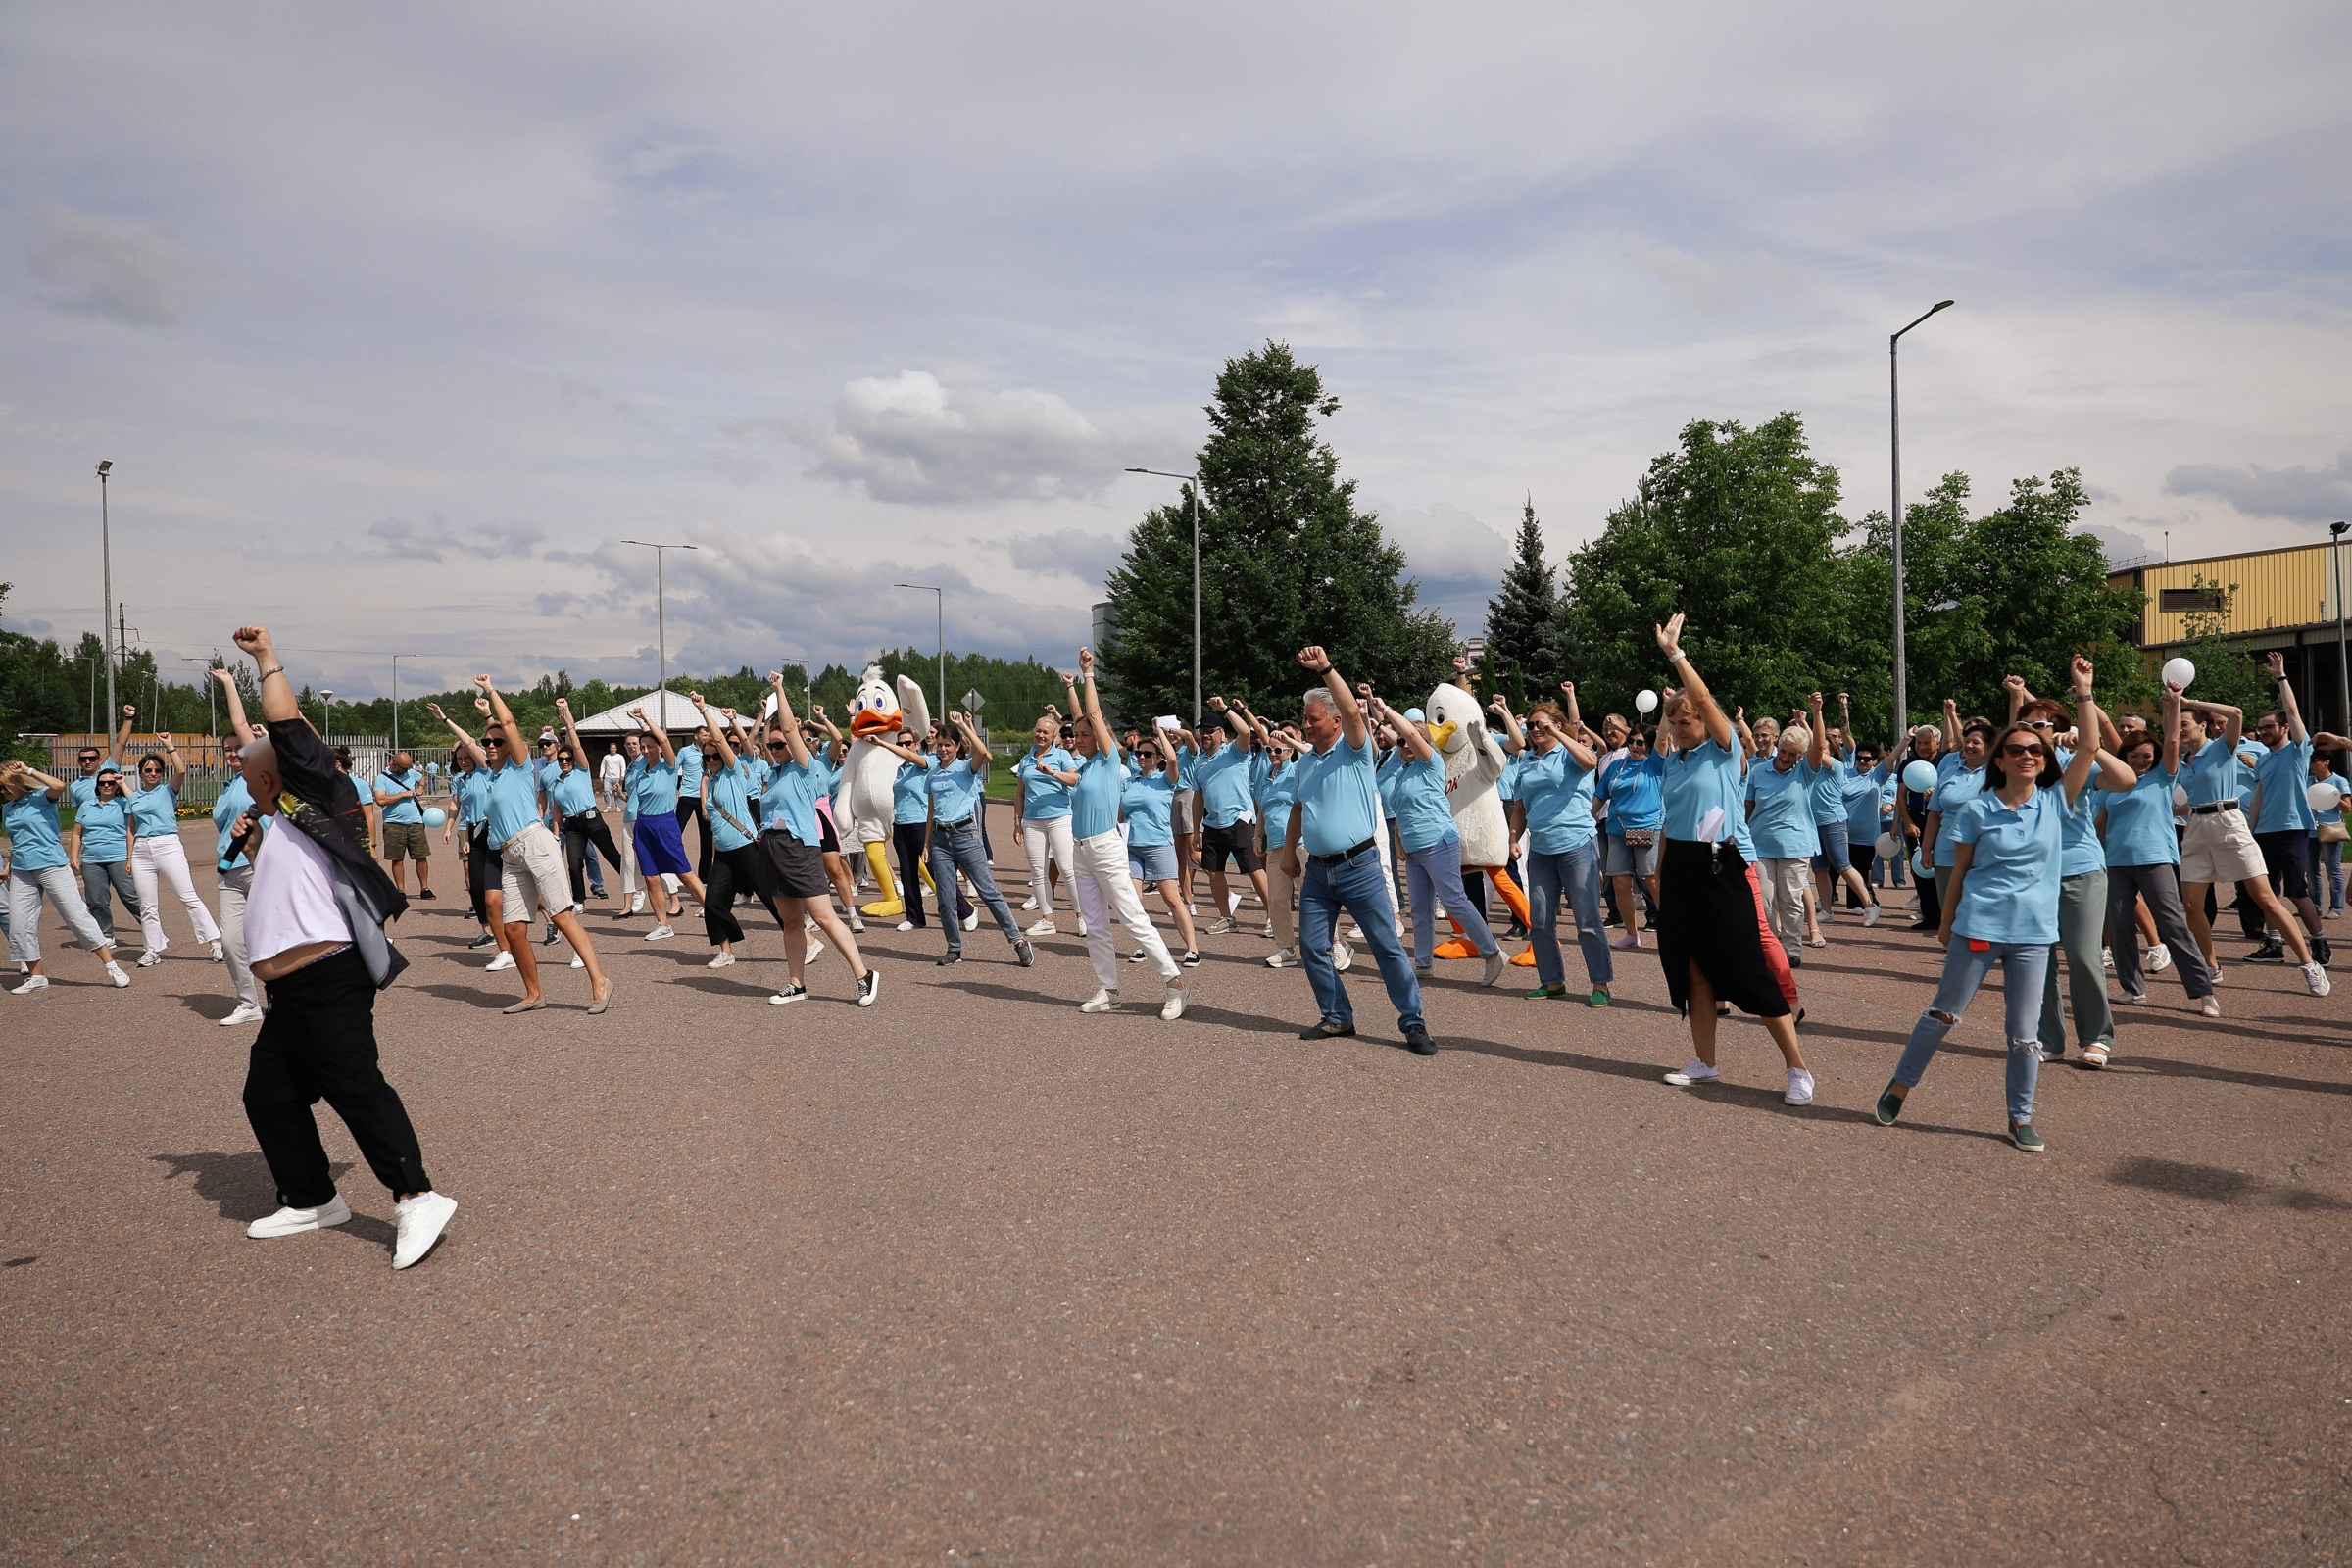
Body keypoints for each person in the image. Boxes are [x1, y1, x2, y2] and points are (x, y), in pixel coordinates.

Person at [221, 623, 456, 1269]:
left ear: (274, 778)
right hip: (290, 991)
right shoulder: (286, 826)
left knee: (354, 1084)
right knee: (267, 1094)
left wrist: (266, 658)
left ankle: (417, 1197)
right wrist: (254, 844)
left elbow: (284, 725)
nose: (244, 780)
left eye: (249, 773)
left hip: (329, 975)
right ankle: (312, 1197)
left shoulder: (321, 792)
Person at [1875, 659, 2108, 1152]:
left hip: (2033, 935)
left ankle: (2019, 1118)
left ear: (2044, 761)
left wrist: (2085, 693)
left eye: (2036, 750)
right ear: (2000, 759)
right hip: (1977, 926)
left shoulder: (2055, 802)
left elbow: (2089, 746)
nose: (2028, 754)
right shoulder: (1978, 808)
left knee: (2024, 1035)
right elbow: (1958, 871)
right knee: (1943, 1014)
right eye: (2017, 748)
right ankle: (1900, 1086)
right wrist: (1945, 922)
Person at [1647, 615, 1814, 1104]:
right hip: (1680, 864)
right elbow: (1670, 823)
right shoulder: (1675, 763)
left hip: (1722, 864)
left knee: (1746, 968)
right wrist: (1660, 875)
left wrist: (1675, 655)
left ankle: (1797, 1068)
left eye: (1687, 721)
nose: (1680, 729)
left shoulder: (1724, 753)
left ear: (1705, 720)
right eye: (1674, 722)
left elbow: (1701, 699)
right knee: (1691, 969)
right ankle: (1706, 1062)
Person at [1284, 646, 1435, 1054]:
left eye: (1312, 720)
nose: (1306, 726)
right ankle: (1337, 1016)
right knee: (1314, 946)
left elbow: (1354, 713)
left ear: (1334, 721)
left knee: (1386, 947)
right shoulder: (1306, 763)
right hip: (1318, 871)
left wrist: (1327, 669)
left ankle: (1413, 1022)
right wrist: (1286, 851)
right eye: (1306, 720)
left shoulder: (1354, 750)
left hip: (1359, 866)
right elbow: (1299, 806)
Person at [2004, 676, 2139, 1066]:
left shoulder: (2072, 759)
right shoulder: (2019, 767)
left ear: (2059, 730)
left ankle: (2097, 1037)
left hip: (2080, 869)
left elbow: (2126, 779)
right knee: (2036, 960)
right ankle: (2048, 1038)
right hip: (2031, 874)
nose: (2033, 733)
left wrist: (2087, 746)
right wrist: (2017, 701)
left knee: (2083, 955)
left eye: (2041, 725)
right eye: (2026, 726)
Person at [465, 674, 613, 1014]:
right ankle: (534, 994)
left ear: (511, 747)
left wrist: (490, 691)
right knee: (514, 928)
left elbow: (507, 723)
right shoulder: (493, 776)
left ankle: (600, 982)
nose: (490, 745)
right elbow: (489, 733)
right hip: (509, 856)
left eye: (497, 742)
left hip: (534, 843)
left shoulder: (519, 767)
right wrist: (485, 717)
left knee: (561, 916)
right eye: (487, 742)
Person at [2174, 684, 2329, 995]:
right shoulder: (2179, 762)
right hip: (2197, 826)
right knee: (2191, 904)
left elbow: (2236, 714)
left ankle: (2309, 965)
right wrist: (2172, 703)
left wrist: (2189, 699)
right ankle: (2211, 966)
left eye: (2185, 724)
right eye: (2176, 725)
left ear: (2203, 725)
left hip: (2229, 821)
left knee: (2266, 899)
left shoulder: (2221, 747)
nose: (2178, 730)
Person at [1056, 653, 1186, 1017]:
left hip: (1108, 848)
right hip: (1080, 850)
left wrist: (1087, 674)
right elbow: (1081, 715)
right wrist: (1071, 690)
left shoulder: (1111, 761)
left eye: (1084, 735)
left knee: (1133, 919)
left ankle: (1175, 985)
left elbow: (1094, 716)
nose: (1078, 739)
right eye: (1076, 735)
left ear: (1100, 738)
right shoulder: (1082, 768)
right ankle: (1108, 988)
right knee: (1095, 925)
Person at [750, 670, 881, 1005]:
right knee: (791, 921)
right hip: (773, 848)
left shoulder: (806, 765)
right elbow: (767, 741)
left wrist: (779, 690)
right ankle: (797, 984)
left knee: (823, 916)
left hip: (800, 846)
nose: (776, 748)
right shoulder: (774, 773)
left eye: (781, 745)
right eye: (773, 745)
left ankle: (864, 975)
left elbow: (790, 728)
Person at [1366, 689, 1507, 984]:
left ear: (1424, 741)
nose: (1405, 745)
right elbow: (1401, 810)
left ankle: (1492, 953)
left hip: (1439, 843)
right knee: (1419, 909)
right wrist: (1399, 841)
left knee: (1455, 900)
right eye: (1401, 742)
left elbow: (1412, 736)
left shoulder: (1431, 763)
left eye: (1410, 740)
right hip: (1415, 850)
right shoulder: (1404, 772)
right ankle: (1423, 963)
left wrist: (1385, 709)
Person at [2101, 683, 2218, 1021]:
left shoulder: (2163, 777)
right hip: (2116, 862)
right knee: (2120, 925)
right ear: (2124, 756)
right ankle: (2132, 988)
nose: (2140, 760)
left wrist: (2172, 704)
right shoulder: (2112, 782)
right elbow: (2099, 823)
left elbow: (2170, 740)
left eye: (2145, 755)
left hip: (2155, 859)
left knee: (2172, 925)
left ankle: (2204, 991)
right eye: (2134, 755)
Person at [1490, 687, 1612, 1005]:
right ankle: (1553, 980)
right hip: (1542, 850)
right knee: (1541, 920)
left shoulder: (1570, 754)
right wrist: (1513, 838)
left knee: (1587, 920)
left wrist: (1560, 732)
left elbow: (1589, 762)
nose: (1535, 730)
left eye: (1541, 725)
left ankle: (1600, 984)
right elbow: (1520, 808)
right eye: (1531, 725)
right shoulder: (1526, 760)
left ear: (1556, 726)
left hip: (1576, 846)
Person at [916, 709, 1032, 968]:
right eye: (940, 744)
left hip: (965, 835)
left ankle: (1018, 941)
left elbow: (984, 754)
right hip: (940, 839)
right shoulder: (933, 774)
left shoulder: (966, 769)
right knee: (945, 898)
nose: (943, 749)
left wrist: (964, 725)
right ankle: (954, 947)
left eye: (948, 745)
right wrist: (926, 843)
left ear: (957, 747)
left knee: (988, 891)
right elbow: (931, 810)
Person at [2246, 652, 2340, 966]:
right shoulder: (2263, 759)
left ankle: (2318, 941)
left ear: (2285, 729)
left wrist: (2281, 677)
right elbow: (2258, 796)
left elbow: (2293, 711)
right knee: (2268, 894)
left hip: (2292, 830)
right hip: (2265, 832)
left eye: (2268, 727)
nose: (2263, 732)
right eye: (2259, 729)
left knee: (2297, 891)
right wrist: (2250, 829)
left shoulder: (2298, 751)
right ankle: (2273, 944)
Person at [4, 760, 131, 992]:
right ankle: (37, 976)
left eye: (4, 787)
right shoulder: (8, 809)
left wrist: (28, 770)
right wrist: (7, 867)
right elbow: (17, 841)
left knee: (76, 915)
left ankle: (111, 965)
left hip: (51, 864)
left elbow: (59, 786)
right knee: (19, 924)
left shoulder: (41, 797)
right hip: (22, 870)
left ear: (16, 783)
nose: (2, 792)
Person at [685, 694, 787, 968]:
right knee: (713, 903)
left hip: (745, 846)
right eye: (708, 758)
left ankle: (805, 939)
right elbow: (717, 822)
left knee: (769, 897)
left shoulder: (734, 770)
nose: (713, 759)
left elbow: (719, 740)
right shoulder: (714, 780)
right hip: (726, 853)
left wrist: (704, 709)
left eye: (716, 756)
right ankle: (726, 951)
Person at [1744, 694, 1829, 964]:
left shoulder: (1805, 771)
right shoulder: (1757, 772)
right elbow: (1747, 809)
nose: (1785, 757)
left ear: (1800, 756)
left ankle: (1792, 950)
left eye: (1792, 754)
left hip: (1795, 847)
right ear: (1778, 746)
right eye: (1783, 751)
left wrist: (1816, 713)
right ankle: (1769, 947)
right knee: (1764, 902)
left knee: (1791, 900)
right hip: (1761, 845)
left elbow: (1819, 746)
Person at [127, 732, 225, 965]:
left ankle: (214, 942)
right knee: (147, 904)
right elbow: (131, 829)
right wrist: (129, 857)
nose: (152, 774)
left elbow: (181, 771)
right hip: (142, 849)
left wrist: (169, 745)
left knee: (188, 896)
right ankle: (152, 949)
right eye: (148, 770)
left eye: (157, 771)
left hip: (167, 844)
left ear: (162, 774)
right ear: (141, 772)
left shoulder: (167, 791)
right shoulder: (133, 798)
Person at [206, 667, 267, 1025]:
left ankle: (295, 998)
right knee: (230, 942)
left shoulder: (259, 777)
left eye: (237, 748)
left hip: (262, 867)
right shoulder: (229, 787)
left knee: (276, 937)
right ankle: (248, 1003)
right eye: (226, 749)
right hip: (230, 871)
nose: (232, 752)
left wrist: (229, 683)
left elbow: (240, 722)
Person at [1196, 698, 1274, 938]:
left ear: (1220, 732)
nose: (1205, 736)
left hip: (1239, 819)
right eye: (1202, 733)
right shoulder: (1200, 762)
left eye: (1210, 731)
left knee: (1253, 868)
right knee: (1214, 871)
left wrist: (1226, 710)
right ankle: (1227, 917)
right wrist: (1196, 828)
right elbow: (1198, 798)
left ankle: (1274, 916)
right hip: (1212, 824)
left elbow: (1244, 731)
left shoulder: (1235, 751)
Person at [627, 709, 709, 939]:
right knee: (651, 878)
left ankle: (715, 912)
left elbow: (662, 738)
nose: (646, 750)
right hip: (643, 826)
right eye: (643, 747)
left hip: (665, 824)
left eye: (649, 746)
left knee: (684, 874)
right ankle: (663, 925)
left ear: (660, 749)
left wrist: (645, 720)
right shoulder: (640, 772)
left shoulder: (669, 767)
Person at [1122, 728, 1200, 965]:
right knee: (1133, 901)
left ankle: (1192, 949)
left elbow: (1174, 759)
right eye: (1138, 753)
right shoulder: (1129, 781)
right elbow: (1120, 814)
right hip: (1132, 846)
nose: (1141, 757)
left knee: (1172, 898)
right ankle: (1144, 945)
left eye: (1147, 753)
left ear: (1157, 757)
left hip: (1158, 845)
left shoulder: (1165, 779)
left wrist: (1159, 732)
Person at [551, 700, 631, 920]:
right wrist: (556, 835)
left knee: (612, 856)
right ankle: (579, 900)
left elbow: (576, 746)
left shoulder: (582, 770)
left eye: (567, 759)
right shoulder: (557, 783)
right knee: (574, 864)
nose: (564, 762)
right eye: (561, 760)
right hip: (572, 825)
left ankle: (634, 890)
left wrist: (568, 723)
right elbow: (557, 812)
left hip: (591, 819)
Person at [1598, 724, 1666, 952]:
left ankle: (1675, 931)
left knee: (1652, 880)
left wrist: (1666, 709)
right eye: (1631, 741)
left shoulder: (1655, 764)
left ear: (1649, 744)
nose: (1634, 746)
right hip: (1617, 830)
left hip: (1647, 828)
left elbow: (1663, 738)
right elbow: (1600, 796)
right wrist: (1586, 819)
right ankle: (1631, 934)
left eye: (1640, 742)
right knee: (1619, 882)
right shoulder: (1616, 766)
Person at [1013, 717, 1080, 937]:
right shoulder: (1026, 760)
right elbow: (1020, 793)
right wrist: (1017, 822)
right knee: (1038, 872)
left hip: (1059, 817)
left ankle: (1082, 917)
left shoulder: (1062, 755)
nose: (1040, 735)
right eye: (1038, 731)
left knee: (1067, 868)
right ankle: (1047, 919)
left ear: (1054, 736)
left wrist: (1052, 772)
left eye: (1046, 733)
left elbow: (1074, 779)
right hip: (1032, 821)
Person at [68, 763, 141, 950]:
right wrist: (74, 855)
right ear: (97, 785)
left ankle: (151, 929)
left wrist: (130, 858)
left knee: (130, 896)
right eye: (102, 783)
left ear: (116, 784)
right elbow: (77, 833)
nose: (106, 786)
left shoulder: (124, 803)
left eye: (110, 782)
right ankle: (106, 934)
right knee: (96, 901)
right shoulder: (87, 805)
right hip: (92, 859)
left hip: (118, 857)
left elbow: (136, 805)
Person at [371, 751, 435, 900]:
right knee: (397, 858)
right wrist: (402, 794)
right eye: (404, 768)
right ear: (394, 764)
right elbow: (380, 800)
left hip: (415, 821)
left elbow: (422, 779)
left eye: (408, 768)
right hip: (393, 824)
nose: (407, 771)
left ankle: (425, 888)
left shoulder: (411, 773)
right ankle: (400, 890)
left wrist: (421, 788)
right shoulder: (381, 778)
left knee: (421, 856)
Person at [675, 719, 713, 883]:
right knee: (675, 833)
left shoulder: (711, 752)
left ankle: (704, 876)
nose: (706, 737)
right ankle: (673, 871)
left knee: (706, 838)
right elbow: (673, 769)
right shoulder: (685, 751)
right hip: (686, 796)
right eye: (704, 734)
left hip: (704, 798)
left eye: (708, 735)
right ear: (696, 735)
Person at [2313, 748, 2347, 917]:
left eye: (2315, 761)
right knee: (2311, 871)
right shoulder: (2308, 781)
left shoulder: (2338, 781)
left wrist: (2332, 795)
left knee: (2333, 869)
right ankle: (2314, 906)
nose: (2311, 764)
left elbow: (2348, 808)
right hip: (2310, 829)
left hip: (2330, 828)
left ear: (2326, 762)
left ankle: (2336, 907)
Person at [599, 741, 626, 811]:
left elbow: (623, 766)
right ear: (609, 749)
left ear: (616, 749)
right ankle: (608, 806)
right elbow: (603, 767)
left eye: (614, 748)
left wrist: (622, 775)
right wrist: (601, 776)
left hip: (617, 778)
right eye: (612, 748)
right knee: (606, 791)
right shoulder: (606, 757)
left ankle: (618, 807)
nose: (613, 749)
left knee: (617, 793)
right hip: (608, 777)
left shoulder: (620, 757)